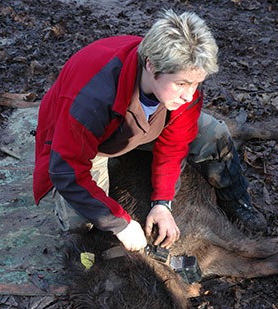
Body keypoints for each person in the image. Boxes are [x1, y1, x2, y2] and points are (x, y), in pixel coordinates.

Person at [33, 10, 265, 252]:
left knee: (214, 134)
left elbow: (174, 146)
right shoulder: (91, 99)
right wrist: (119, 224)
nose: (189, 94)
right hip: (95, 143)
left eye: (196, 83)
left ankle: (237, 202)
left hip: (144, 126)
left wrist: (163, 203)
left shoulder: (183, 90)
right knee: (80, 222)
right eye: (182, 84)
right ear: (152, 67)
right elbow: (66, 169)